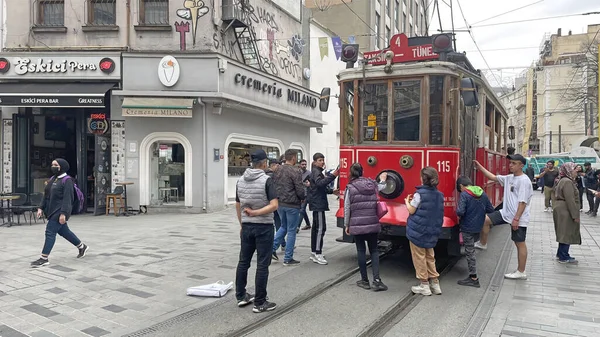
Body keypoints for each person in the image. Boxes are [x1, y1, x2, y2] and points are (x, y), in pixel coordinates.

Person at [473, 154, 532, 280]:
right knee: (484, 220)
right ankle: (483, 243)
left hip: (518, 217)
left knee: (519, 243)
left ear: (521, 165)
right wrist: (479, 167)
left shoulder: (524, 181)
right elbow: (493, 177)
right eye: (510, 163)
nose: (510, 165)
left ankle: (521, 271)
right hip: (505, 213)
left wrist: (516, 219)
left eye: (514, 163)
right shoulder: (509, 178)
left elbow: (523, 202)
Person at [234, 149, 278, 313]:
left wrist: (242, 223)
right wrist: (256, 213)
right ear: (264, 163)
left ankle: (241, 296)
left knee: (243, 261)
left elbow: (238, 205)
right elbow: (274, 205)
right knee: (262, 264)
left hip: (246, 227)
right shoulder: (267, 180)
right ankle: (260, 302)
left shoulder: (240, 181)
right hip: (264, 227)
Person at [31, 159, 89, 268]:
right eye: (52, 164)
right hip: (51, 210)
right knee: (64, 231)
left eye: (55, 165)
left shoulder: (67, 181)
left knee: (50, 232)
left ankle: (44, 258)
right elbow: (46, 195)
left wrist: (64, 214)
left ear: (62, 166)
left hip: (59, 211)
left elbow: (68, 199)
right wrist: (40, 208)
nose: (53, 166)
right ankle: (82, 247)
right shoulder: (53, 179)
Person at [344, 163, 388, 291]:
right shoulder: (372, 184)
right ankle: (377, 280)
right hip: (372, 223)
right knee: (374, 251)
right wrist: (383, 179)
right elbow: (382, 186)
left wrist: (347, 225)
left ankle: (364, 280)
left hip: (357, 225)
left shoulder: (350, 187)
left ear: (351, 173)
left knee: (361, 251)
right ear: (362, 172)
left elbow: (347, 208)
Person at [405, 167, 445, 296]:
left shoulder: (419, 194)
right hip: (432, 229)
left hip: (418, 230)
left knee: (419, 257)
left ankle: (424, 285)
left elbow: (412, 210)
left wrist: (407, 202)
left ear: (422, 179)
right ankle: (435, 283)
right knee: (430, 256)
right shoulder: (439, 195)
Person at [455, 176, 494, 288]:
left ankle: (473, 278)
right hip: (478, 227)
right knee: (471, 249)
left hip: (467, 227)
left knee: (469, 251)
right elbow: (490, 209)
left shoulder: (464, 194)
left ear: (462, 186)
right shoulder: (482, 193)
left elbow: (460, 211)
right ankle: (473, 275)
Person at [271, 149, 306, 266]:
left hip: (280, 203)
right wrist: (303, 197)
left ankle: (271, 249)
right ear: (294, 158)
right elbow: (300, 189)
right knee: (291, 230)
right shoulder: (296, 171)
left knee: (283, 227)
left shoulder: (277, 169)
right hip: (292, 204)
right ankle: (288, 257)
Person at [307, 152, 339, 265]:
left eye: (323, 160)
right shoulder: (316, 172)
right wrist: (333, 175)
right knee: (321, 228)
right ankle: (318, 253)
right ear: (315, 162)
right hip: (318, 203)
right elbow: (320, 183)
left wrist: (331, 191)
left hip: (316, 202)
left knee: (316, 228)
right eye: (320, 160)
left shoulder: (316, 171)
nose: (322, 162)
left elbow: (319, 187)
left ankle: (313, 251)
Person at [552, 162, 581, 264]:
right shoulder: (567, 182)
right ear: (568, 170)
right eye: (574, 170)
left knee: (563, 232)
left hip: (561, 208)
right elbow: (570, 200)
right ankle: (564, 256)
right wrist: (575, 215)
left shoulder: (562, 180)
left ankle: (561, 253)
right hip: (565, 210)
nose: (576, 172)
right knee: (566, 232)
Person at [265, 159, 284, 250]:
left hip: (268, 203)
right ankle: (275, 245)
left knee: (278, 223)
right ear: (272, 165)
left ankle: (282, 243)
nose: (278, 167)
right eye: (277, 165)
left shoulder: (265, 174)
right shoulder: (272, 175)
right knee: (278, 223)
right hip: (274, 202)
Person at [297, 159, 312, 231]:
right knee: (302, 210)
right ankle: (308, 224)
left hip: (306, 194)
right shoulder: (297, 172)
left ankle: (297, 226)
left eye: (305, 164)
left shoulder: (309, 173)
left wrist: (309, 184)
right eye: (302, 164)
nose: (304, 166)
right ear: (299, 165)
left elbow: (313, 183)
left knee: (302, 209)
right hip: (299, 194)